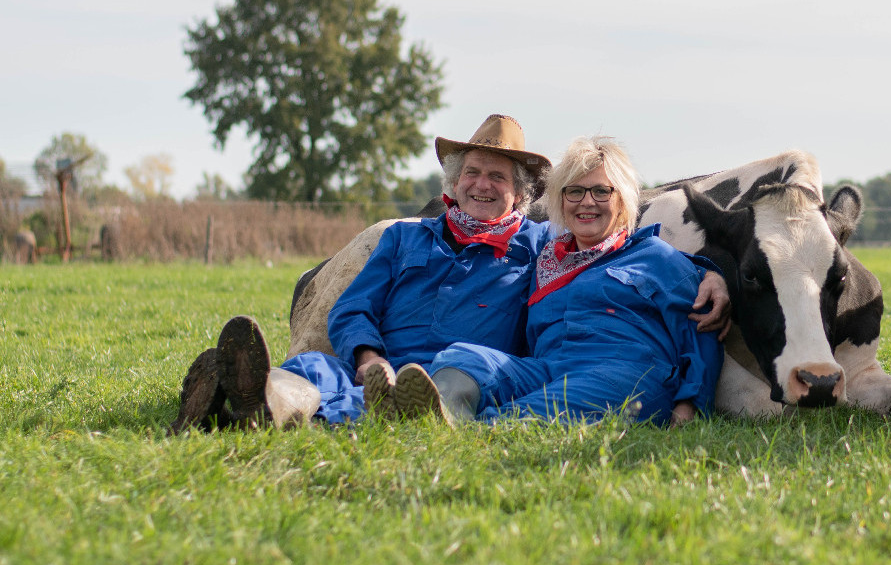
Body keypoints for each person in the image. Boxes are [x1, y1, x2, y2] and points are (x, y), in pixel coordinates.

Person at [169, 115, 729, 432]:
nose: (484, 185)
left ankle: (251, 407)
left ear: (521, 195)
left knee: (462, 371)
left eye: (498, 179)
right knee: (317, 368)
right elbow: (354, 308)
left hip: (458, 377)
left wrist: (710, 274)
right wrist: (367, 358)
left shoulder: (539, 247)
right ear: (455, 182)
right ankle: (266, 399)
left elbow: (643, 265)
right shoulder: (405, 237)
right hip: (384, 368)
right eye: (474, 173)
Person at [386, 136, 723, 428]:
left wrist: (691, 403)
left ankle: (477, 430)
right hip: (549, 369)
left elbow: (700, 332)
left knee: (559, 401)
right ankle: (444, 413)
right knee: (461, 358)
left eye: (601, 191)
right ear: (560, 201)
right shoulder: (545, 261)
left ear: (623, 200)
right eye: (574, 191)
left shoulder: (654, 256)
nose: (587, 202)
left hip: (625, 373)